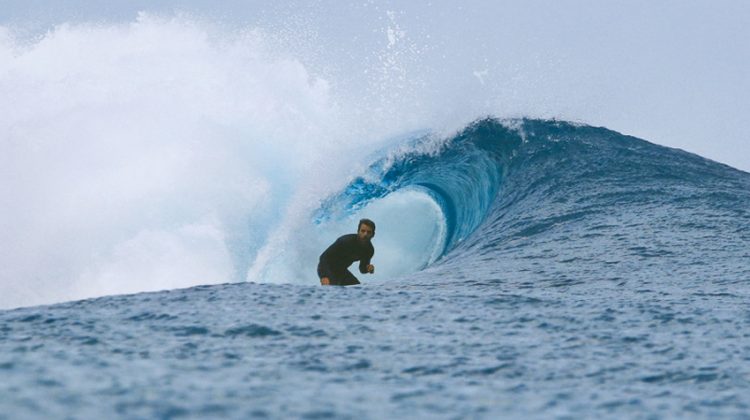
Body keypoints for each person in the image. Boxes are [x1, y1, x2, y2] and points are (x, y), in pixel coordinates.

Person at [317, 219, 376, 286]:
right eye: (362, 231)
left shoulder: (369, 250)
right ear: (358, 232)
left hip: (341, 271)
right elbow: (324, 257)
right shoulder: (345, 241)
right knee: (332, 289)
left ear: (373, 235)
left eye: (368, 232)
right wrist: (324, 276)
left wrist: (368, 269)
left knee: (357, 288)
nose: (365, 234)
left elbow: (362, 269)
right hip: (326, 268)